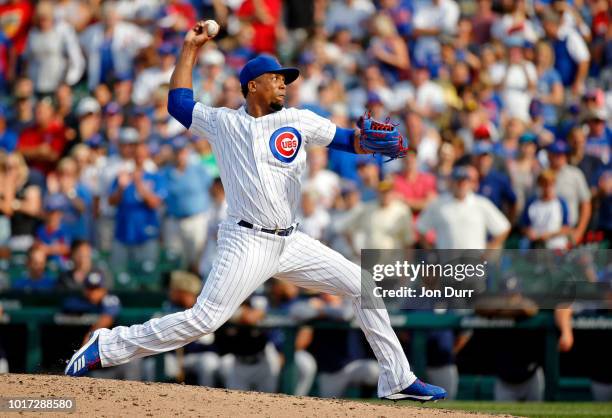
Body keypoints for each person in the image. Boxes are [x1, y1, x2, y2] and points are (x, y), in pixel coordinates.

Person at [65, 20, 446, 402]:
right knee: (204, 320)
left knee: (362, 285)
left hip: (291, 241)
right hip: (245, 240)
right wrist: (190, 48)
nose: (284, 83)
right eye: (276, 78)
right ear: (252, 85)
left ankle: (397, 378)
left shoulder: (298, 119)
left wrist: (371, 144)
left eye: (286, 79)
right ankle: (107, 345)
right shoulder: (224, 122)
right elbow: (177, 103)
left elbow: (349, 140)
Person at [142, 271, 220, 387]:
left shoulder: (202, 312)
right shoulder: (165, 311)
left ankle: (210, 398)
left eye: (190, 294)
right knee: (154, 365)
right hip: (171, 357)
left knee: (209, 362)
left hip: (196, 356)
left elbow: (208, 340)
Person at [417, 166, 511, 249]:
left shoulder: (481, 204)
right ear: (451, 182)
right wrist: (431, 253)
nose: (461, 185)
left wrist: (489, 250)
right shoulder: (438, 204)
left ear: (470, 183)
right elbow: (421, 228)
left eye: (464, 181)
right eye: (458, 181)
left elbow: (503, 228)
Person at [108, 141, 166, 271]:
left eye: (142, 154)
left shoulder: (155, 176)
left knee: (146, 275)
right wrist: (121, 188)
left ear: (147, 155)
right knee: (119, 273)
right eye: (136, 154)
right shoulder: (122, 176)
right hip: (123, 234)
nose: (139, 157)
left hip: (146, 235)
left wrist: (139, 183)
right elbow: (110, 202)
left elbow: (154, 203)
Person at [161, 136, 212, 270]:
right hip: (174, 221)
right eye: (177, 151)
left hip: (197, 219)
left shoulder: (198, 168)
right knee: (175, 259)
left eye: (182, 151)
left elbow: (212, 188)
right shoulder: (166, 172)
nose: (180, 155)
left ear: (187, 152)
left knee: (198, 259)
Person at [547, 141, 592, 246]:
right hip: (546, 232)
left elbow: (586, 204)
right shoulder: (542, 175)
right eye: (556, 154)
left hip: (569, 231)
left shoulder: (575, 174)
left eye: (562, 154)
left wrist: (579, 231)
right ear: (549, 155)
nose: (559, 157)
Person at [520, 170, 571, 249]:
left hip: (556, 247)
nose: (547, 187)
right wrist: (529, 233)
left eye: (550, 184)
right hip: (535, 247)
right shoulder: (531, 203)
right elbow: (524, 226)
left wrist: (549, 235)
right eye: (544, 184)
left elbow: (566, 228)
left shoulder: (561, 203)